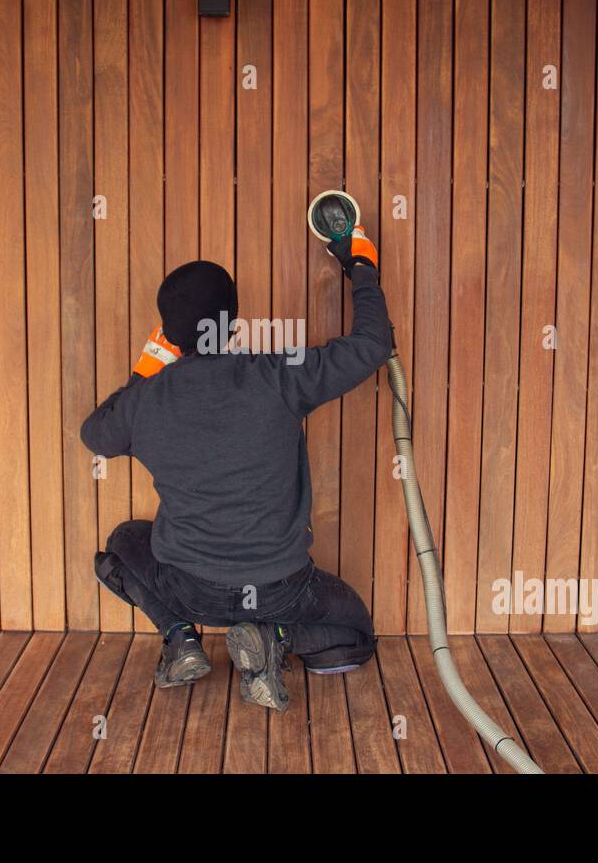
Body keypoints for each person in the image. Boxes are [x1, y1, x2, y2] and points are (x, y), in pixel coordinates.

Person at [80, 226, 389, 712]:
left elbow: (95, 433)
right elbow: (372, 345)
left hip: (189, 589)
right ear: (232, 322)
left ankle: (180, 636)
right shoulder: (280, 374)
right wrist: (360, 265)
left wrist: (143, 373)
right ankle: (273, 638)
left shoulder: (145, 400)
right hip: (282, 592)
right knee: (355, 632)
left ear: (170, 333)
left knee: (122, 543)